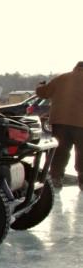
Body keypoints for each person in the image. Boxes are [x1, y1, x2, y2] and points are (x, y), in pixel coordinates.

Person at [36, 61, 83, 189]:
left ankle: (56, 178)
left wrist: (40, 85)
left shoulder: (62, 78)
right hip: (81, 124)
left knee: (60, 152)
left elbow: (43, 93)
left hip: (60, 123)